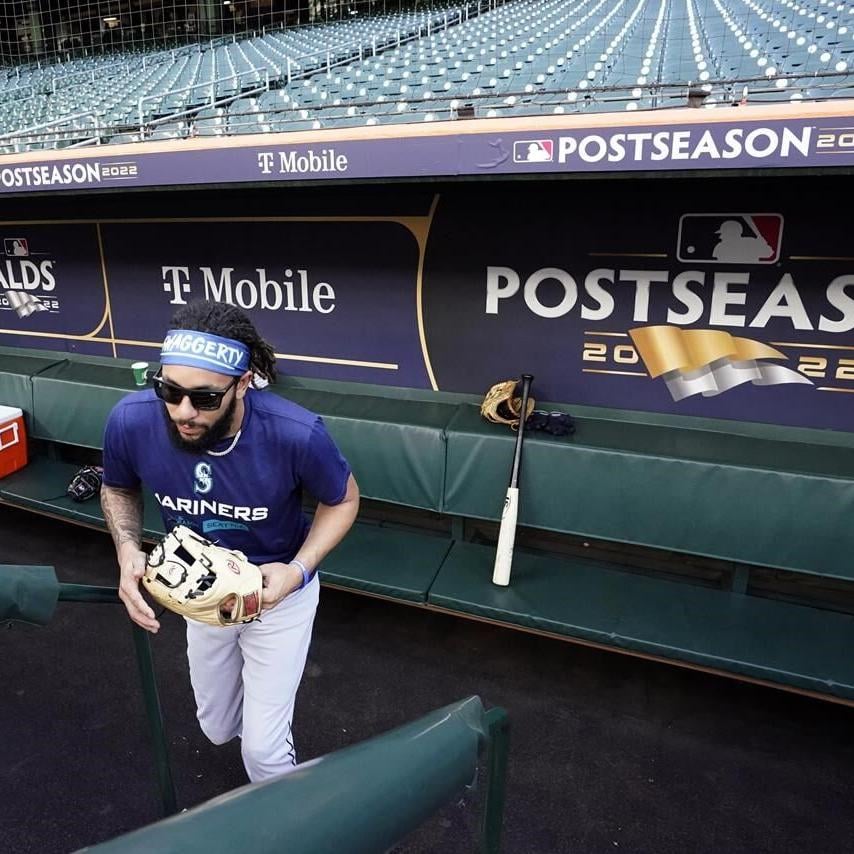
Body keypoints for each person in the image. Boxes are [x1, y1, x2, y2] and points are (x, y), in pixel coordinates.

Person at [100, 301, 359, 783]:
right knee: (217, 727)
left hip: (276, 591)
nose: (182, 411)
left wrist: (299, 570)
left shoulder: (296, 432)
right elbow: (117, 486)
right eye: (169, 391)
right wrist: (127, 549)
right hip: (199, 589)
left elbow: (343, 500)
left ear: (242, 384)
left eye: (204, 398)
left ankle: (296, 821)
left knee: (262, 753)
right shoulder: (131, 419)